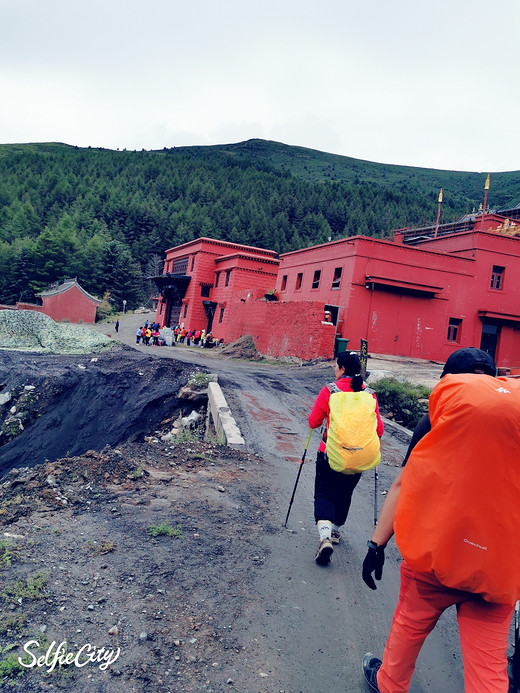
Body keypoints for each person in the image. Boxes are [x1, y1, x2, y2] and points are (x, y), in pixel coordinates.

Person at [361, 347, 520, 693]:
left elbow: (404, 482)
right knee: (489, 667)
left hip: (436, 561)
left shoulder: (437, 417)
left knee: (409, 627)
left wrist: (376, 544)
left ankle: (389, 683)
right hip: (498, 571)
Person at [309, 351, 384, 565]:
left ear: (342, 369)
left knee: (324, 493)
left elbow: (313, 422)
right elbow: (379, 429)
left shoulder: (330, 391)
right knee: (344, 494)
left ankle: (324, 537)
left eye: (335, 367)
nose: (334, 370)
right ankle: (335, 531)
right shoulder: (369, 394)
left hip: (329, 455)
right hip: (359, 456)